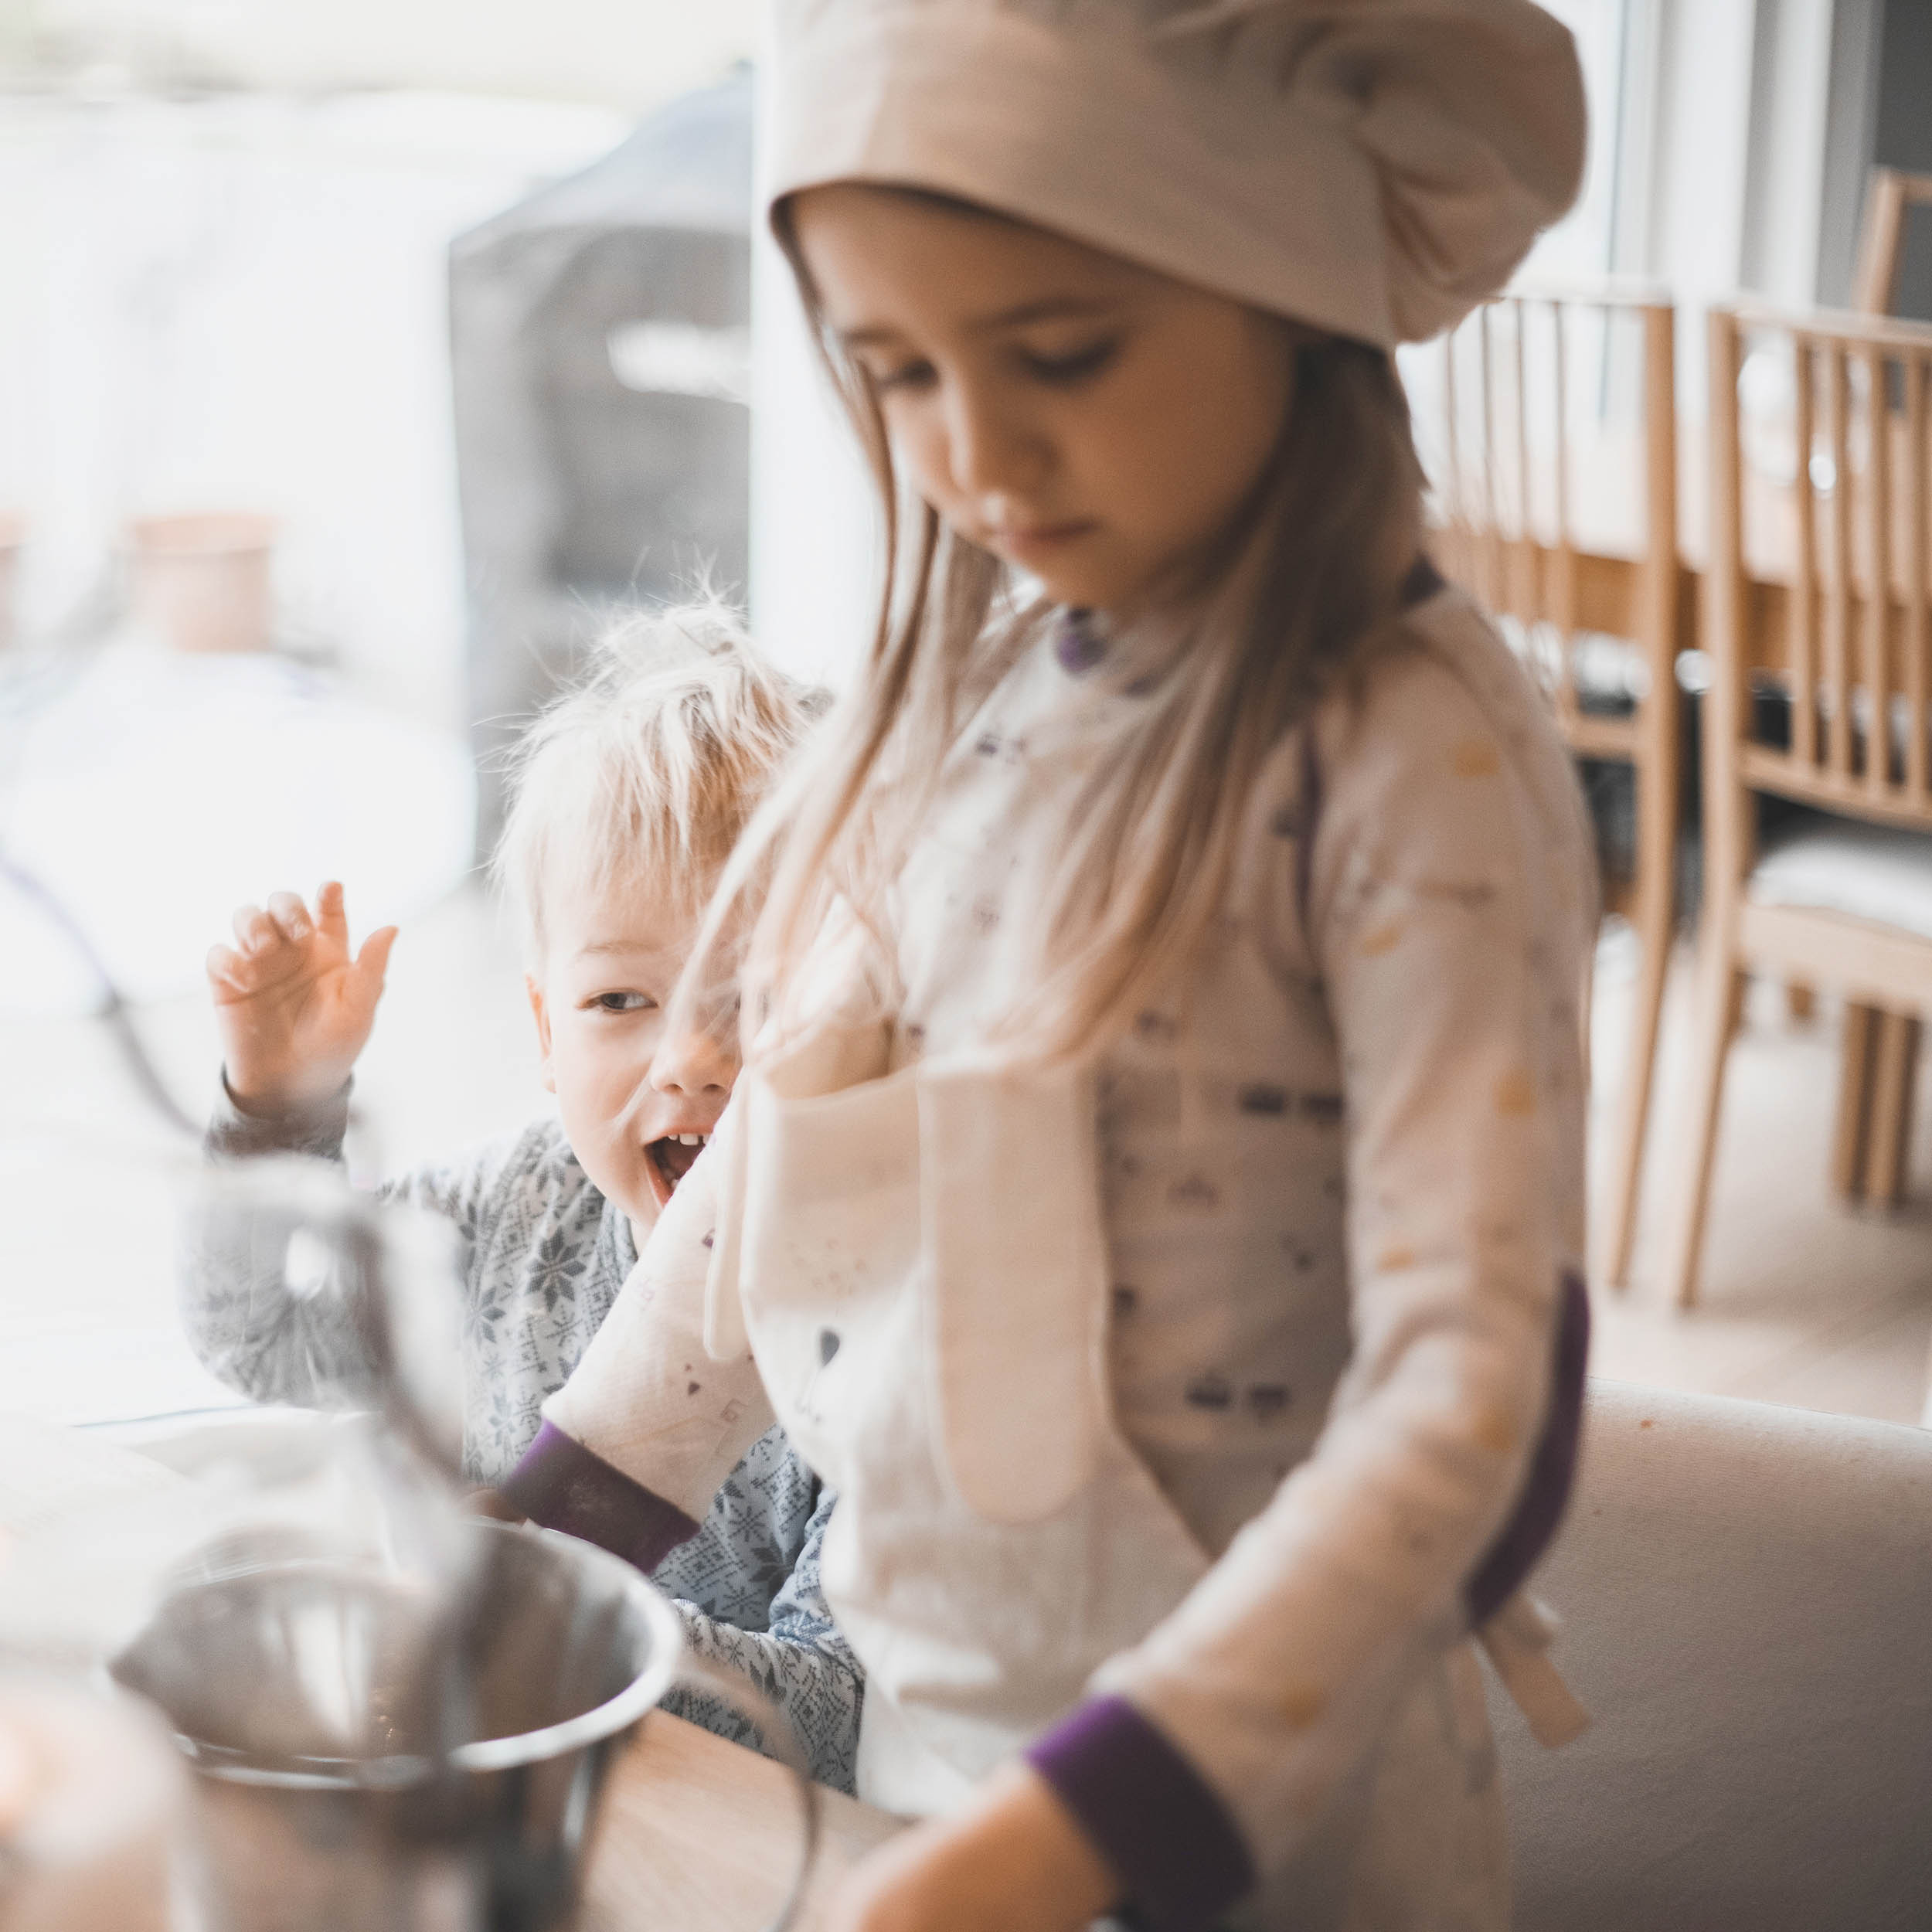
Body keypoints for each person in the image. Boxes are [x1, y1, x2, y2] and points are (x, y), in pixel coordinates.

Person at [503, 3, 1595, 1925]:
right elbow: (779, 1183)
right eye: (897, 371)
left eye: (1062, 352)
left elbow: (1465, 1393)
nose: (975, 454)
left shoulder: (1416, 754)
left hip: (1259, 1807)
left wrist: (1083, 1823)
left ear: (1285, 288)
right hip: (942, 1737)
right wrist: (535, 1537)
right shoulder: (1001, 697)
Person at [182, 603, 862, 1791]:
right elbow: (260, 1335)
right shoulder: (508, 1213)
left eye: (754, 997)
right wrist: (276, 1114)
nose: (690, 1060)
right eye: (619, 1002)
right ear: (547, 1030)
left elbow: (835, 1717)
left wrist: (525, 1607)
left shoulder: (881, 1327)